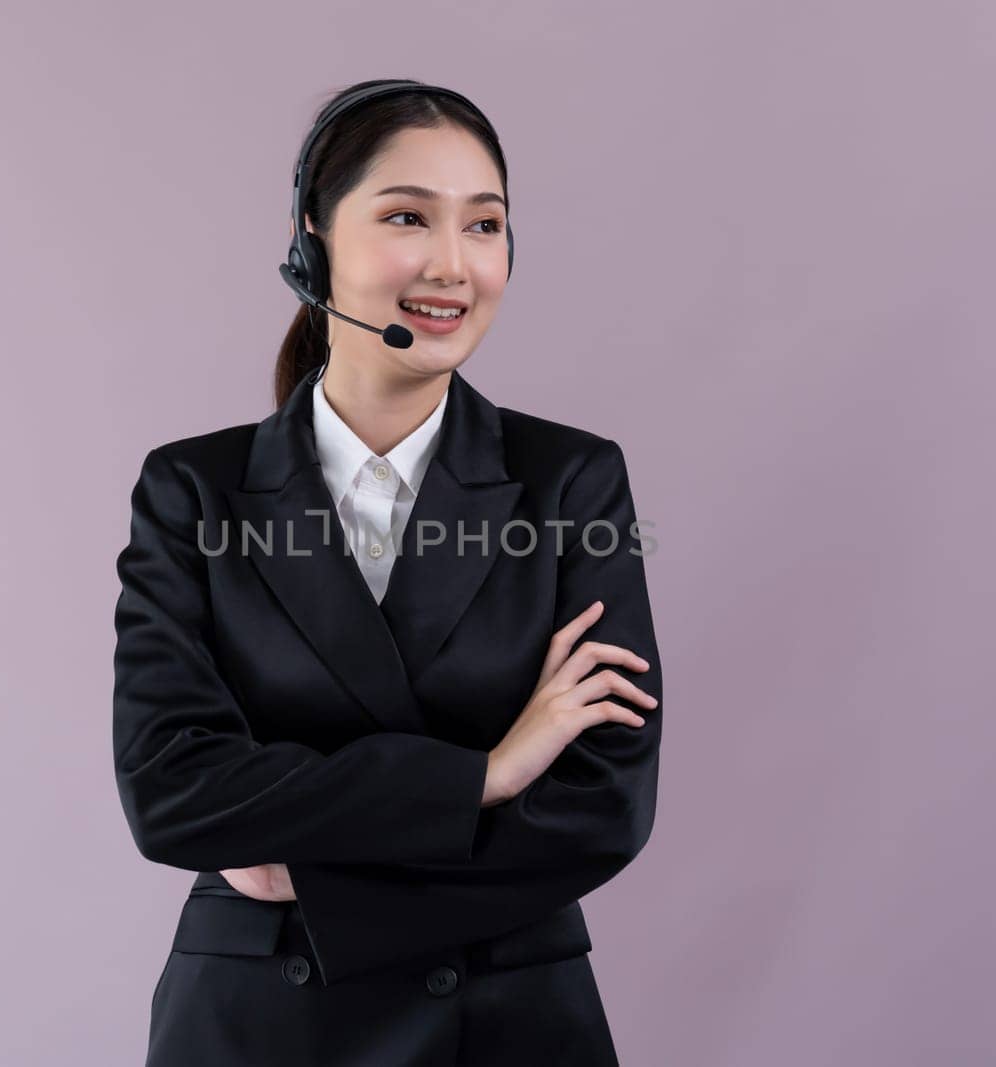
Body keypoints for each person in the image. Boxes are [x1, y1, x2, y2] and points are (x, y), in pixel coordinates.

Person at [112, 78, 664, 1066]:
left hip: (504, 1021)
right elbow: (172, 789)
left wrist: (314, 874)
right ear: (311, 234)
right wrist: (485, 774)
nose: (454, 265)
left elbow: (600, 803)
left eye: (485, 225)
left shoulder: (570, 479)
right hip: (258, 1023)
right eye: (408, 216)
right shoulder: (192, 490)